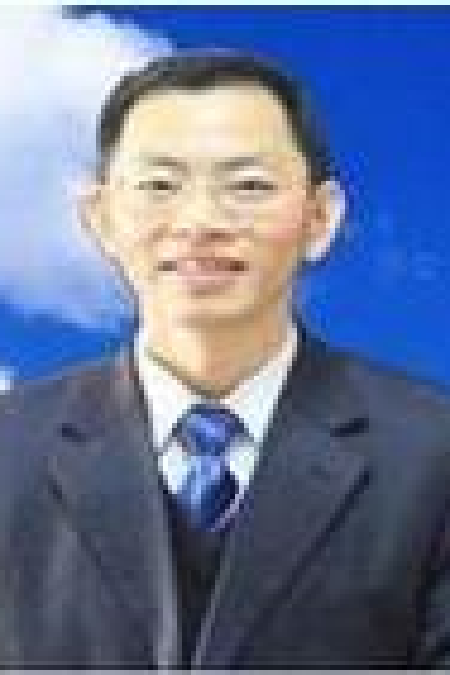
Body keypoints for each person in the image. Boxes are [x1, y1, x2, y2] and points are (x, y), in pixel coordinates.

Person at [0, 50, 449, 669]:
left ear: (320, 218)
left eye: (249, 186)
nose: (201, 221)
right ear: (100, 220)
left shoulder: (433, 452)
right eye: (160, 186)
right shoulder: (11, 446)